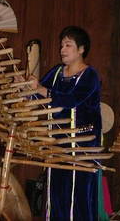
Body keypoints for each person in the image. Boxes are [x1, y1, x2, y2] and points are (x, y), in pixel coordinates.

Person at [22, 26, 102, 221]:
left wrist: (41, 89)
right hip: (57, 141)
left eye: (68, 45)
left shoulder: (90, 75)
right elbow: (38, 95)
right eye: (61, 45)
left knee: (78, 192)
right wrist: (25, 86)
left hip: (83, 141)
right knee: (56, 190)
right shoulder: (58, 71)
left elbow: (71, 99)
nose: (62, 49)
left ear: (81, 49)